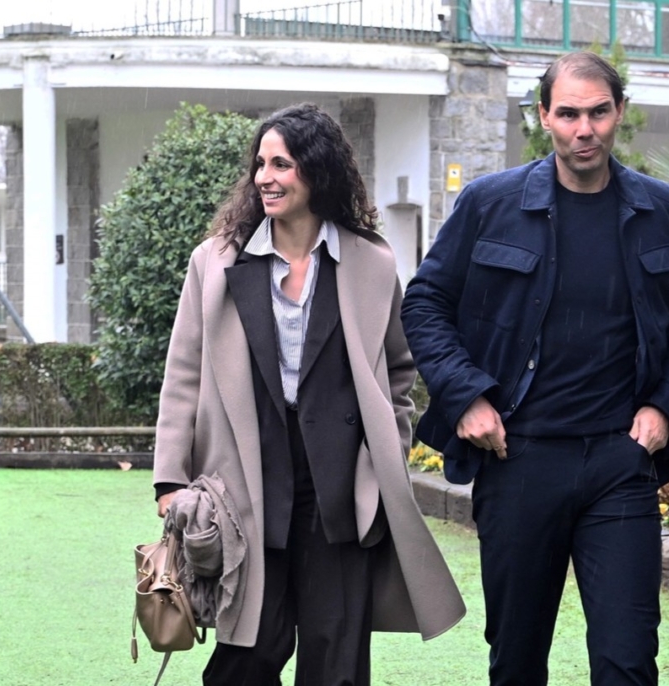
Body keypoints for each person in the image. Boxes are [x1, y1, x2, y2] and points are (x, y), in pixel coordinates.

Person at [153, 102, 465, 686]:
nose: (264, 177)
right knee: (245, 659)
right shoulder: (216, 263)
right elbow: (184, 374)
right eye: (259, 165)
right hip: (244, 485)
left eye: (282, 164)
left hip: (343, 490)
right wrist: (170, 479)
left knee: (336, 664)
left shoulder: (370, 261)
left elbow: (398, 372)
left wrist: (386, 454)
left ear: (316, 172)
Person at [402, 51, 669, 685]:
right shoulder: (488, 205)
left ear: (620, 113)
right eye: (569, 113)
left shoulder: (660, 211)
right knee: (517, 662)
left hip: (619, 463)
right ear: (543, 116)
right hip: (518, 460)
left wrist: (663, 404)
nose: (586, 130)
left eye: (599, 112)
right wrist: (466, 397)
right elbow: (426, 302)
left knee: (628, 660)